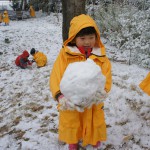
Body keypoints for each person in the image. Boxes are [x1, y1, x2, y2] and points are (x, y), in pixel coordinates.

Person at [50, 14, 112, 150]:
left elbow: (106, 74)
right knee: (72, 119)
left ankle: (93, 137)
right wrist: (59, 95)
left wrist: (104, 91)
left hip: (93, 99)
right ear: (74, 38)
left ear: (96, 37)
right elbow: (56, 74)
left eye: (91, 37)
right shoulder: (66, 55)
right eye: (82, 38)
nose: (87, 42)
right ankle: (73, 140)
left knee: (94, 118)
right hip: (71, 100)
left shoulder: (100, 55)